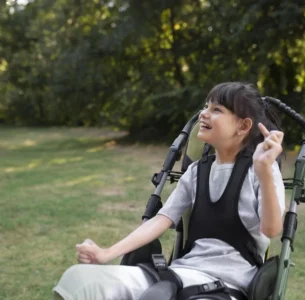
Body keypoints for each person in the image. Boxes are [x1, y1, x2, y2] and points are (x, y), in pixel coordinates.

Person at [53, 82, 285, 300]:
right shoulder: (195, 173)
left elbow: (272, 229)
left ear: (243, 126)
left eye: (217, 109)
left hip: (226, 287)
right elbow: (160, 220)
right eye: (206, 106)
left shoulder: (262, 169)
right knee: (77, 279)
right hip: (177, 275)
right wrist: (106, 253)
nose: (204, 113)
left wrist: (264, 169)